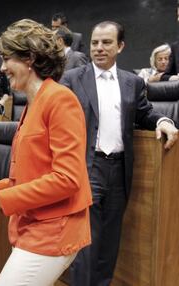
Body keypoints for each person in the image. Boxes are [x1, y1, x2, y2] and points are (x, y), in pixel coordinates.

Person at [0, 19, 92, 285]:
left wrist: (5, 199)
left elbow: (67, 179)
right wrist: (1, 186)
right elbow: (36, 170)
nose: (2, 67)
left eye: (7, 59)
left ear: (30, 58)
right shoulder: (33, 102)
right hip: (32, 224)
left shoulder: (60, 99)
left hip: (55, 228)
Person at [60, 21, 178, 286]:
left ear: (121, 46)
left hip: (119, 170)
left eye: (106, 42)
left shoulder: (132, 82)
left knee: (110, 243)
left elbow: (144, 113)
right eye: (94, 42)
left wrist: (163, 122)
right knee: (85, 244)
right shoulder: (72, 78)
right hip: (87, 168)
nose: (99, 48)